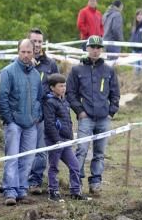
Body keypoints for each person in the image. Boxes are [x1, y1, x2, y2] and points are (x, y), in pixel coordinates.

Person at [67, 36, 119, 195]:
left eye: (98, 47)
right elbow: (71, 93)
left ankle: (96, 181)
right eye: (93, 47)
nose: (96, 50)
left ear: (101, 49)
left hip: (103, 118)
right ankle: (76, 182)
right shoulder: (77, 70)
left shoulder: (109, 70)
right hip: (86, 117)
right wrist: (80, 111)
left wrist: (111, 112)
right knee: (81, 150)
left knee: (100, 152)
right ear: (87, 48)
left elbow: (115, 93)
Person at [0, 39, 43, 205]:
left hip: (31, 124)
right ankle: (10, 190)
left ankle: (22, 189)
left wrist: (37, 116)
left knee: (28, 158)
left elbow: (39, 98)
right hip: (14, 123)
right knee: (12, 157)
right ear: (18, 51)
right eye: (23, 51)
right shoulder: (8, 72)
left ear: (33, 53)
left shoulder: (36, 75)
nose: (25, 55)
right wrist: (9, 119)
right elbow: (1, 98)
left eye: (29, 52)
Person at [28, 28, 61, 194]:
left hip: (42, 112)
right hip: (24, 112)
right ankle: (18, 180)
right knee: (22, 149)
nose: (37, 44)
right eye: (34, 41)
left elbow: (58, 87)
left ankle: (35, 181)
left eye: (40, 41)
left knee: (40, 149)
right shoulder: (21, 61)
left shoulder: (50, 64)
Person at [42, 73, 85, 202]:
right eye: (60, 86)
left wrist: (70, 137)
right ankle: (53, 192)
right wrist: (57, 140)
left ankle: (76, 191)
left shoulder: (65, 101)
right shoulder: (49, 102)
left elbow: (68, 121)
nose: (63, 88)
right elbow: (49, 123)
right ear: (52, 87)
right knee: (54, 166)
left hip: (66, 141)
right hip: (55, 141)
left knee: (75, 165)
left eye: (64, 86)